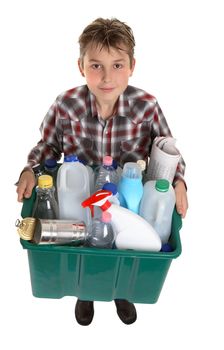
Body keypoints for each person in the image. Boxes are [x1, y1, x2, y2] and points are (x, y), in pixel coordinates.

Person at [16, 17, 188, 325]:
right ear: (81, 67)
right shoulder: (66, 104)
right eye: (96, 66)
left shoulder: (146, 106)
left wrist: (179, 183)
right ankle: (87, 293)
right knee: (88, 246)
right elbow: (48, 147)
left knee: (125, 244)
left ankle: (122, 292)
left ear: (132, 65)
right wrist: (30, 169)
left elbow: (167, 151)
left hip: (126, 197)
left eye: (117, 65)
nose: (107, 77)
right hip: (82, 197)